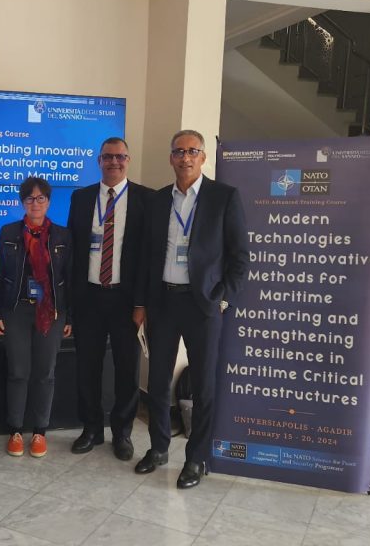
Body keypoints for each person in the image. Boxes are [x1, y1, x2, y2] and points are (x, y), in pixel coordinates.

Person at [133, 129, 249, 489]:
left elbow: (240, 257)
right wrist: (141, 302)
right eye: (179, 151)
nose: (185, 157)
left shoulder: (224, 198)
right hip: (163, 301)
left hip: (203, 304)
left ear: (203, 158)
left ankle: (197, 458)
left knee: (204, 384)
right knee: (156, 381)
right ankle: (158, 449)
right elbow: (145, 259)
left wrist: (223, 297)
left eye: (193, 151)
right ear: (171, 158)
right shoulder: (156, 201)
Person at [66, 137, 151, 460]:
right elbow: (74, 248)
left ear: (128, 160)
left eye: (120, 157)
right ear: (98, 161)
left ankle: (122, 433)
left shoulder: (145, 198)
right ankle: (91, 429)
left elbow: (148, 256)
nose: (114, 162)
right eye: (107, 157)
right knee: (87, 367)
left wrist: (142, 303)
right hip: (88, 296)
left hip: (126, 300)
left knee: (127, 369)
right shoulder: (82, 197)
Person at [0, 177, 72, 458]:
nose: (35, 203)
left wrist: (68, 315)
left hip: (51, 312)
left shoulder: (62, 236)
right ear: (21, 202)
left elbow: (67, 279)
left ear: (48, 202)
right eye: (29, 198)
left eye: (40, 198)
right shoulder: (9, 232)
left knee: (45, 373)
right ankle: (15, 430)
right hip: (16, 311)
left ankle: (39, 431)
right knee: (18, 372)